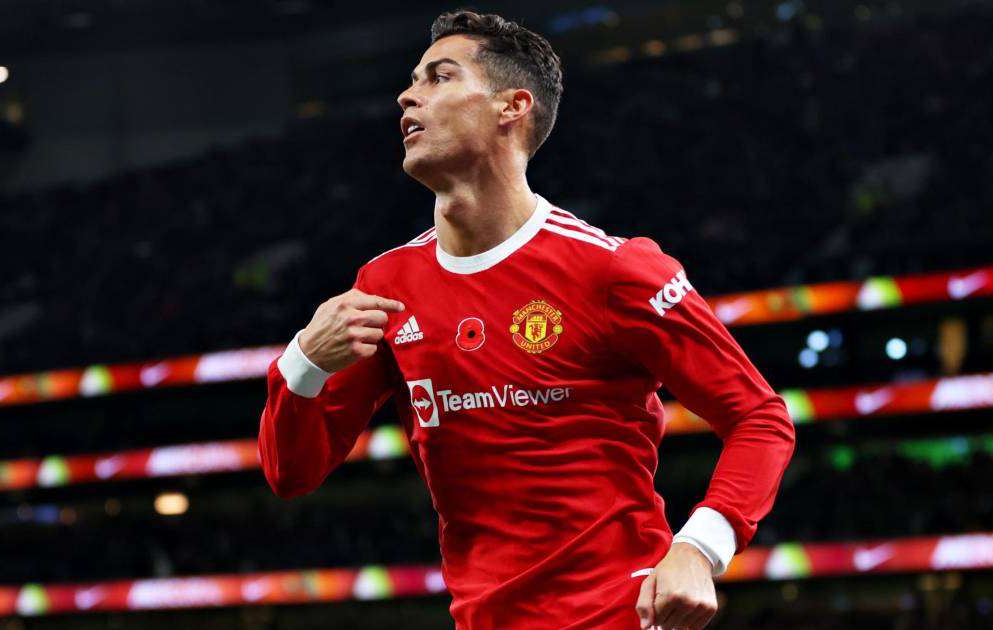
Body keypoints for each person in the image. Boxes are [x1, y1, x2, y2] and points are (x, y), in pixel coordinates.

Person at [258, 10, 795, 630]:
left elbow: (759, 417)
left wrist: (700, 548)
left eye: (439, 77)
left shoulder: (613, 269)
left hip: (619, 615)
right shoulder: (385, 287)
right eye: (412, 80)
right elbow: (291, 473)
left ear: (512, 106)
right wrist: (303, 362)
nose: (407, 95)